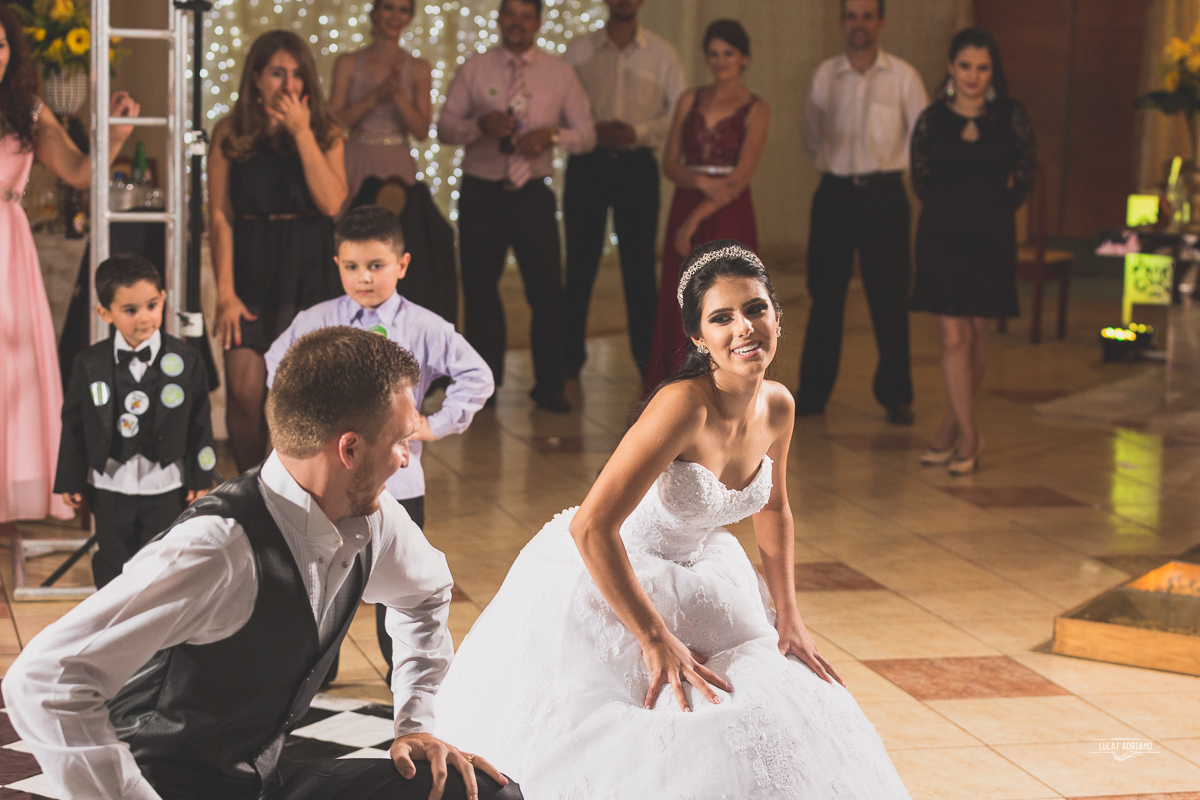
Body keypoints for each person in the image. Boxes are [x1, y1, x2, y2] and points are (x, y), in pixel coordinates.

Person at [433, 240, 913, 799]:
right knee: (660, 724)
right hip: (614, 568)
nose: (744, 328)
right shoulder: (684, 406)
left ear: (777, 317)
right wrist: (653, 636)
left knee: (777, 699)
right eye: (722, 318)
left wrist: (790, 616)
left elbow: (774, 507)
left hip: (701, 570)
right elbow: (590, 527)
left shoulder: (778, 405)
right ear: (698, 337)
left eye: (755, 309)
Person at [4, 327, 521, 800]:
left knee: (483, 794)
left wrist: (416, 723)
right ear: (349, 449)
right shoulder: (217, 548)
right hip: (163, 789)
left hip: (264, 784)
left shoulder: (377, 518)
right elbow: (43, 681)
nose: (406, 457)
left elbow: (426, 594)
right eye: (400, 440)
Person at [265, 205, 494, 673]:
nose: (364, 277)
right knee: (316, 577)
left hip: (397, 484)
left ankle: (401, 673)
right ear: (337, 265)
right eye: (352, 266)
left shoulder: (425, 326)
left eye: (376, 265)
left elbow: (478, 375)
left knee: (396, 580)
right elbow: (277, 368)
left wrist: (434, 423)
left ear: (402, 264)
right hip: (323, 484)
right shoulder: (315, 320)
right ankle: (316, 672)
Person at [0, 4, 139, 525]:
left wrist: (117, 134)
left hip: (7, 248)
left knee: (10, 371)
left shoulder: (27, 109)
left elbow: (79, 172)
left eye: (0, 45)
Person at [437, 0, 595, 414]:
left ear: (538, 23)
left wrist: (552, 136)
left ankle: (550, 385)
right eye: (510, 14)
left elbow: (587, 134)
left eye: (526, 16)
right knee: (480, 291)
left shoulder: (559, 73)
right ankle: (484, 385)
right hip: (481, 192)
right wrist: (478, 126)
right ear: (499, 18)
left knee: (547, 291)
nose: (517, 23)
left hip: (533, 194)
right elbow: (445, 128)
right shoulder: (475, 68)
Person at [209, 30, 348, 473]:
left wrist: (302, 133)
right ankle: (251, 490)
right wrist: (225, 292)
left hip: (308, 272)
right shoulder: (231, 132)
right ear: (255, 78)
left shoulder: (325, 131)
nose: (288, 84)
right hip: (250, 271)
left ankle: (292, 496)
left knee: (298, 399)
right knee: (244, 392)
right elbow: (220, 216)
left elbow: (332, 202)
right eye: (276, 73)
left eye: (297, 74)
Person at [795, 0, 928, 425]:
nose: (859, 23)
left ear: (881, 22)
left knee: (889, 297)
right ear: (842, 22)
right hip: (834, 194)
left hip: (884, 195)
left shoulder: (904, 77)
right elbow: (811, 136)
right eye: (851, 15)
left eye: (867, 16)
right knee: (825, 294)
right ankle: (813, 392)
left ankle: (896, 394)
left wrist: (889, 170)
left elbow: (921, 137)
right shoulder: (824, 76)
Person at [910, 28, 1036, 475]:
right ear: (951, 66)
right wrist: (955, 212)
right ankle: (970, 437)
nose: (973, 75)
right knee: (952, 336)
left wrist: (990, 212)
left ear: (992, 71)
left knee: (978, 336)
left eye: (982, 68)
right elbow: (921, 178)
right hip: (941, 237)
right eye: (965, 66)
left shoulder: (1010, 117)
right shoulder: (931, 119)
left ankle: (950, 429)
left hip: (991, 239)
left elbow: (1025, 178)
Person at [55, 254, 217, 587]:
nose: (144, 317)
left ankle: (159, 614)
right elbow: (73, 424)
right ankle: (115, 613)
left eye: (152, 305)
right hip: (111, 482)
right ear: (105, 313)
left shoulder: (187, 359)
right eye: (130, 310)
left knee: (163, 557)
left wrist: (200, 475)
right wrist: (70, 477)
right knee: (112, 557)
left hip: (166, 481)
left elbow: (200, 420)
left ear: (163, 299)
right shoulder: (89, 363)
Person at [643, 19, 769, 392]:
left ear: (744, 58)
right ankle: (675, 385)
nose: (720, 61)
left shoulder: (757, 108)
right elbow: (670, 164)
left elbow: (739, 179)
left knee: (728, 295)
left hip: (728, 212)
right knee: (681, 296)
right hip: (687, 198)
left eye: (728, 53)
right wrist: (699, 184)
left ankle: (725, 387)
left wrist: (692, 221)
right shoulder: (689, 99)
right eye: (713, 54)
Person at [562, 0, 685, 379]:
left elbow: (679, 114)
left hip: (637, 167)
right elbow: (557, 106)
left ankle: (648, 364)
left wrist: (638, 132)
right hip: (588, 164)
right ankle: (567, 360)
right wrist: (589, 131)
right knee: (580, 264)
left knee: (639, 268)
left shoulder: (662, 54)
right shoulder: (578, 51)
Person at [329, 0, 432, 211]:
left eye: (403, 10)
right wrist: (374, 96)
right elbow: (334, 121)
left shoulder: (419, 68)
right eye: (388, 7)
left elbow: (422, 131)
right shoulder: (347, 62)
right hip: (357, 158)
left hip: (397, 164)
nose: (395, 16)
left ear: (410, 19)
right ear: (375, 12)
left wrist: (397, 94)